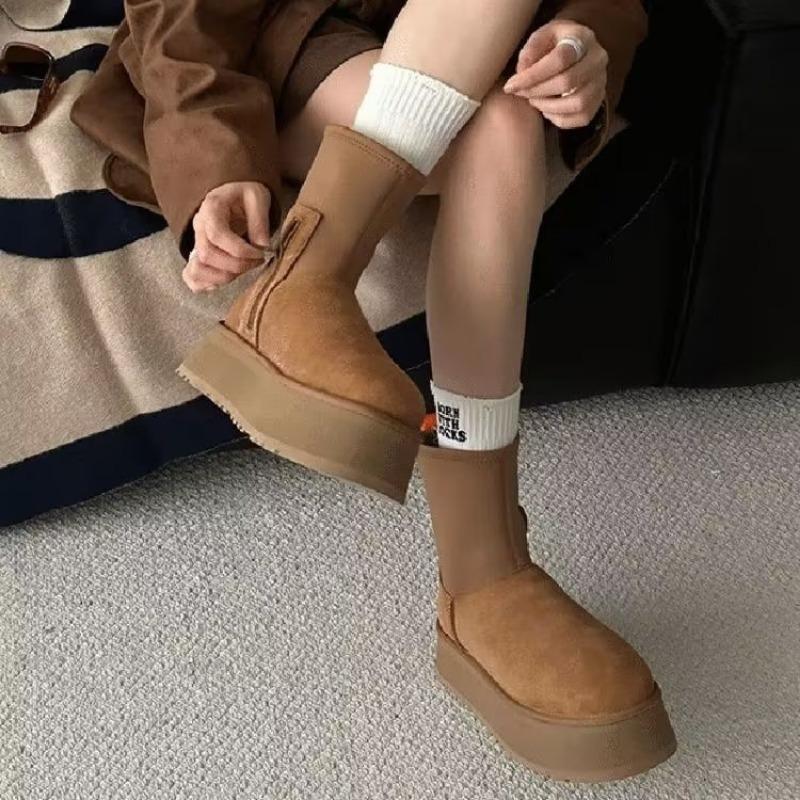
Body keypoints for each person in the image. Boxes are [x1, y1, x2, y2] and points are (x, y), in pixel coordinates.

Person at [72, 0, 676, 781]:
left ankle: (484, 562)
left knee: (507, 125)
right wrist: (216, 161)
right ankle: (308, 284)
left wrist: (584, 38)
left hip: (472, 50)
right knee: (498, 126)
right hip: (281, 45)